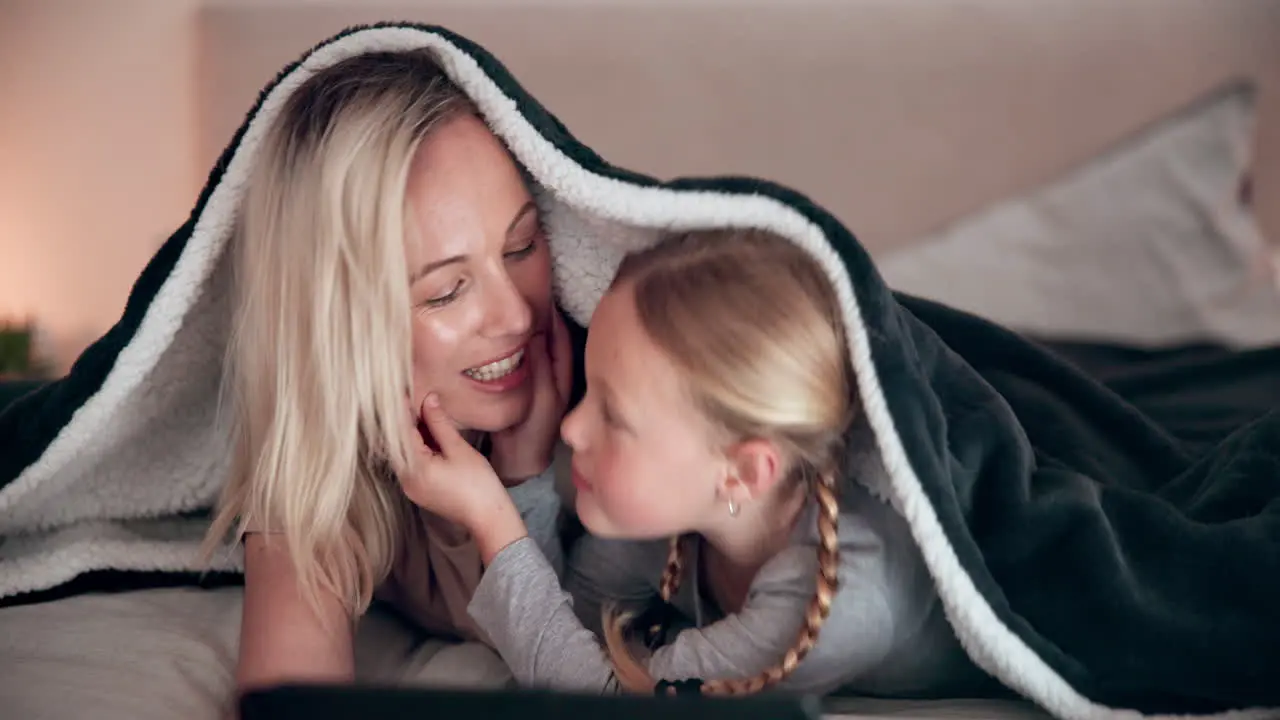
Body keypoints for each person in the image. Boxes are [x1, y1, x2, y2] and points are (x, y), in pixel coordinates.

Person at [402, 228, 1007, 698]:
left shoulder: (843, 600)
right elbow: (563, 626)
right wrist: (525, 465)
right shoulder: (675, 516)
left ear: (742, 473)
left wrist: (492, 518)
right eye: (588, 392)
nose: (570, 427)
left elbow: (603, 702)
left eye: (614, 416)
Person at [199, 49, 575, 694]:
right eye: (445, 291)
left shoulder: (620, 392)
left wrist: (523, 478)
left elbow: (582, 667)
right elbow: (290, 707)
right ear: (342, 322)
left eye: (521, 246)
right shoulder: (324, 462)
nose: (515, 315)